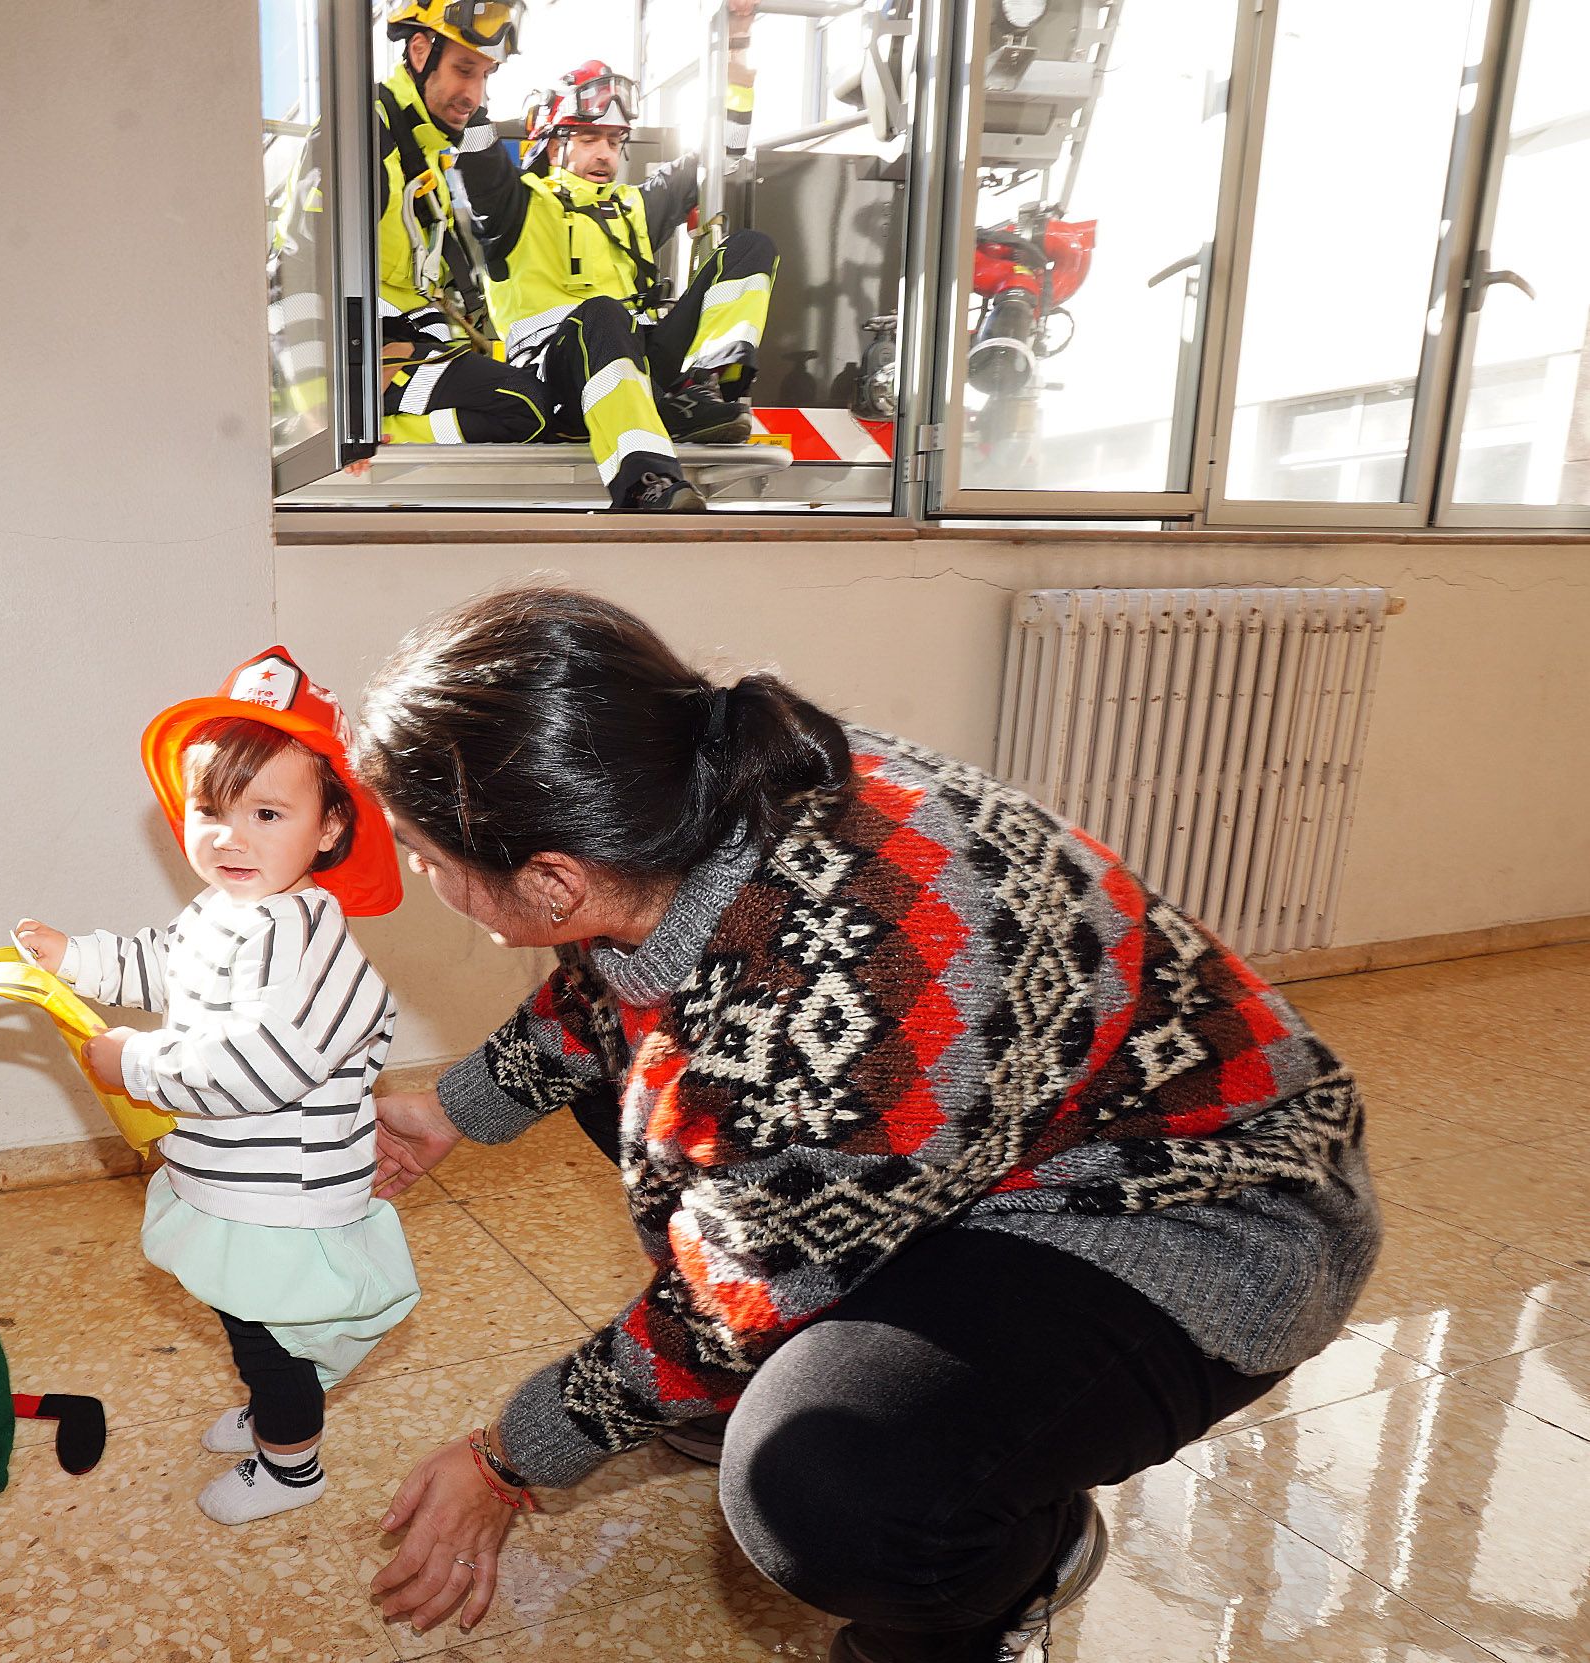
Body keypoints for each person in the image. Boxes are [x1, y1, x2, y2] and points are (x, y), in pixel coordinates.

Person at [349, 586, 1380, 1662]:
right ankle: (852, 1356)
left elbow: (720, 1306)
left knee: (825, 1488)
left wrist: (503, 1459)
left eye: (422, 849)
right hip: (980, 1136)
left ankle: (1001, 1558)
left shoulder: (824, 1017)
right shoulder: (714, 785)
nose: (421, 874)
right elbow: (620, 978)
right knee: (662, 1120)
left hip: (1197, 1208)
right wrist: (444, 1111)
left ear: (550, 877)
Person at [12, 648, 416, 1526]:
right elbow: (165, 962)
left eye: (266, 813)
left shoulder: (309, 942)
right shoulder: (227, 912)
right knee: (242, 1320)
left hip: (285, 1195)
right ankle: (273, 1407)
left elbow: (259, 1063)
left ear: (329, 829)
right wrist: (75, 957)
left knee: (271, 1340)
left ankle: (291, 1460)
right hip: (232, 1178)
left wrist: (139, 1066)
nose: (230, 837)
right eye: (210, 811)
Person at [451, 49, 782, 511]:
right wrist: (470, 65)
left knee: (751, 247)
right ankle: (645, 482)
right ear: (553, 145)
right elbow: (473, 145)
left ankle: (700, 389)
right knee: (603, 312)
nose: (604, 153)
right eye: (588, 138)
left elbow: (718, 156)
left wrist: (738, 66)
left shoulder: (634, 206)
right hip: (557, 375)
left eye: (613, 139)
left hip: (638, 365)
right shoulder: (514, 206)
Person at [372, 2, 548, 447]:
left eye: (485, 76)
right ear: (418, 52)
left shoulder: (425, 141)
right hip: (356, 373)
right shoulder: (365, 138)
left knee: (545, 404)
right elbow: (299, 276)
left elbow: (502, 198)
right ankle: (386, 435)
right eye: (464, 70)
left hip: (409, 345)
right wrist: (326, 418)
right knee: (524, 405)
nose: (475, 94)